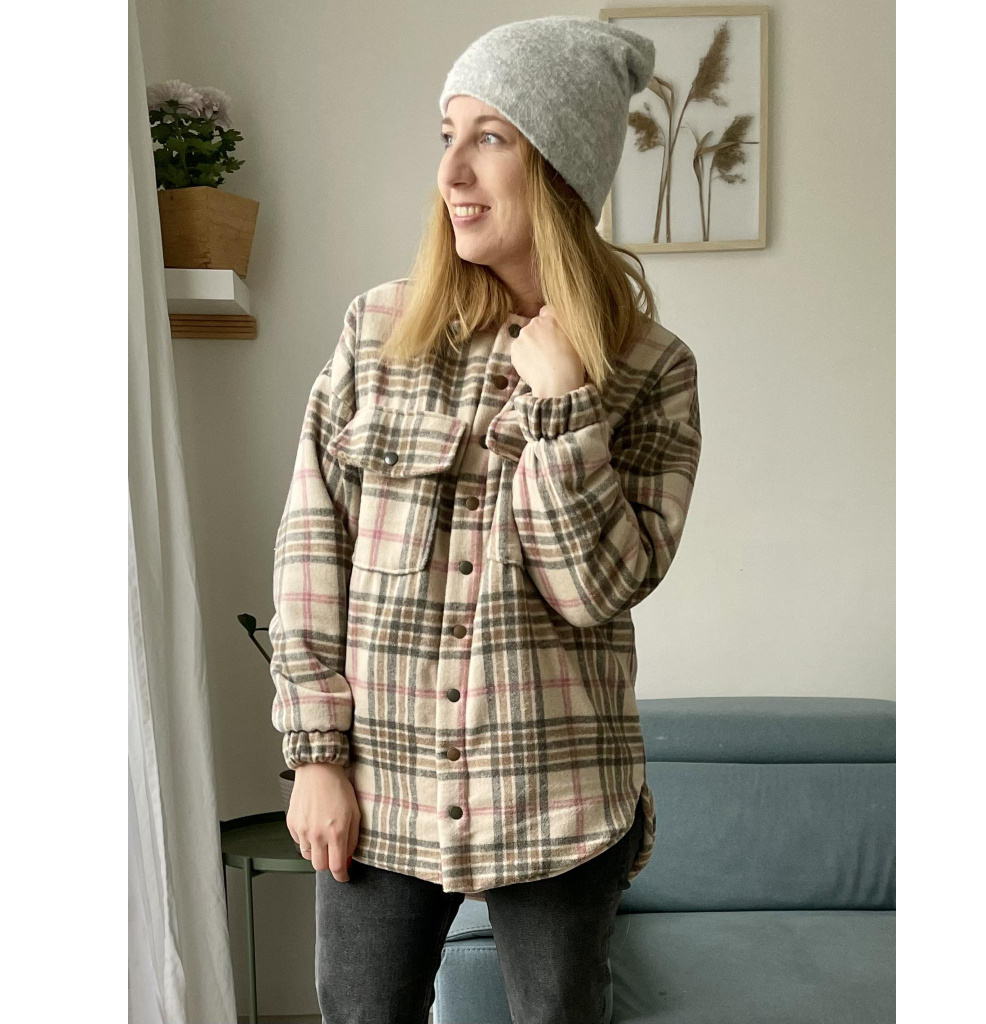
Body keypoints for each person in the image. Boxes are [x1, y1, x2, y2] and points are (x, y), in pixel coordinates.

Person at [268, 15, 702, 1024]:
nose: (451, 172)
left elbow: (594, 591)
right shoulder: (378, 330)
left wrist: (564, 412)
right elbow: (310, 545)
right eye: (446, 135)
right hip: (381, 788)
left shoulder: (652, 370)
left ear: (561, 168)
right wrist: (315, 755)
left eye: (490, 137)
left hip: (559, 797)